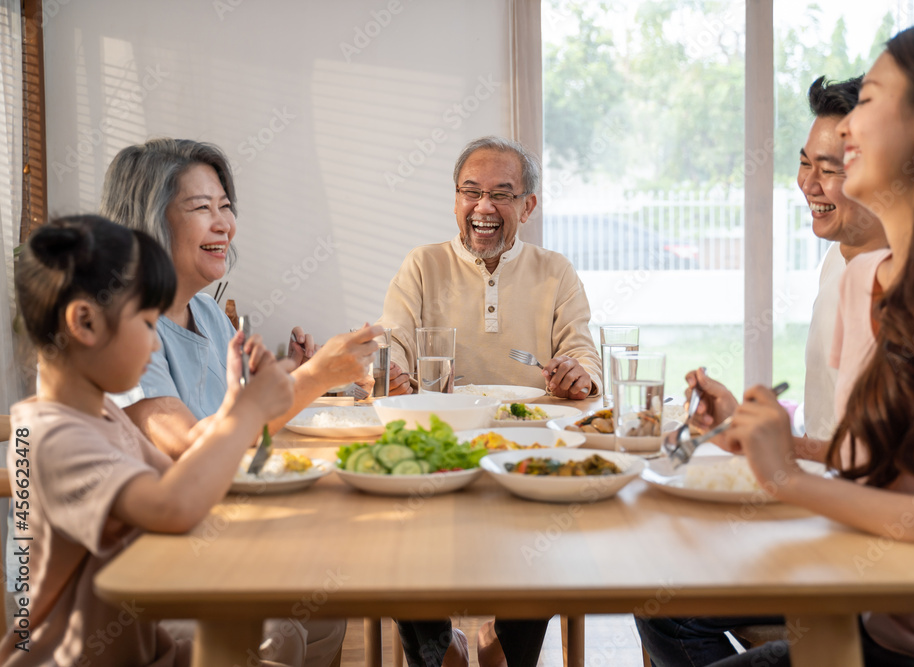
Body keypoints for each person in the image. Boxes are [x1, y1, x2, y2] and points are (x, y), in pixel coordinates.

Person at [640, 22, 914, 666]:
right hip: (874, 614)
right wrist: (776, 436)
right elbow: (890, 461)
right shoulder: (865, 276)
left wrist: (786, 477)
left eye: (868, 101)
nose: (847, 129)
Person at [1, 215, 336, 666]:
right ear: (84, 322)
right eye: (146, 323)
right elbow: (171, 507)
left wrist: (236, 399)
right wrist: (250, 412)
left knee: (312, 614)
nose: (157, 346)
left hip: (141, 639)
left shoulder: (102, 414)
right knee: (271, 633)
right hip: (79, 657)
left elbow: (186, 480)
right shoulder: (54, 438)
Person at [99, 138, 380, 459]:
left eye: (225, 206)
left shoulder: (207, 313)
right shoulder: (119, 327)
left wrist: (290, 375)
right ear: (148, 222)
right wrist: (315, 376)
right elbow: (188, 445)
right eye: (202, 207)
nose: (224, 225)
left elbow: (245, 419)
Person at [678, 75, 887, 447]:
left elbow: (879, 462)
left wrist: (779, 447)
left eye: (828, 170)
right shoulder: (837, 260)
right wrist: (734, 421)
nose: (807, 184)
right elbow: (826, 430)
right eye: (805, 163)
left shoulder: (910, 286)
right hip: (821, 492)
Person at [376, 135, 602, 400]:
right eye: (471, 192)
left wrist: (578, 377)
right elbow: (394, 340)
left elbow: (581, 353)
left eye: (501, 195)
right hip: (445, 423)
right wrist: (390, 374)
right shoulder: (423, 263)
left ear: (526, 207)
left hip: (533, 427)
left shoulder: (556, 269)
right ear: (456, 200)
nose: (483, 206)